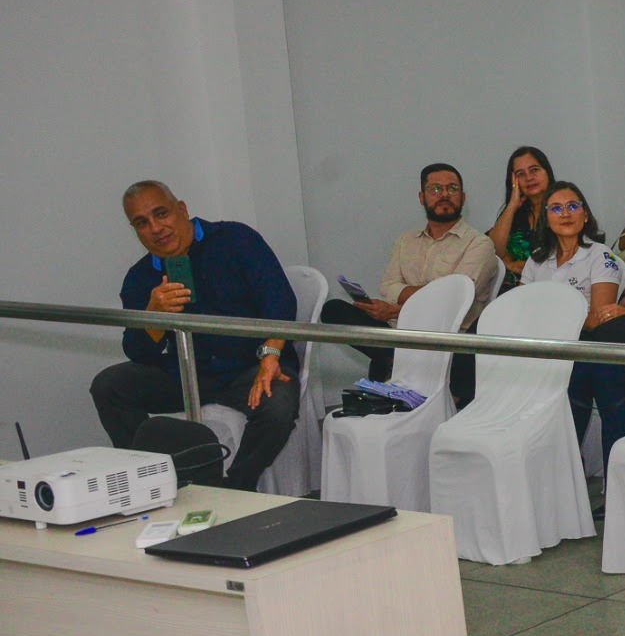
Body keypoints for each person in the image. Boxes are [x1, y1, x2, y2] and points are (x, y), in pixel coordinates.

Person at [93, 181, 300, 491]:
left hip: (251, 365)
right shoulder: (140, 277)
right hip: (187, 373)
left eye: (161, 214)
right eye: (142, 223)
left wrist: (271, 354)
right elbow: (138, 352)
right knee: (109, 386)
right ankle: (158, 479)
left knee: (278, 406)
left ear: (182, 209)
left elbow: (280, 300)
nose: (156, 228)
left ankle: (236, 486)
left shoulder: (235, 239)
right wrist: (154, 316)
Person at [318, 162, 504, 403]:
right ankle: (393, 360)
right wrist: (400, 306)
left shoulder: (479, 244)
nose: (445, 195)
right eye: (435, 189)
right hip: (397, 332)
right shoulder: (405, 241)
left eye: (452, 189)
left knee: (388, 351)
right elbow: (389, 286)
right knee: (333, 309)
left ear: (463, 197)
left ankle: (389, 367)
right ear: (422, 197)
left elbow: (455, 299)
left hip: (446, 341)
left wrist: (397, 308)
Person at [519, 179, 625, 463]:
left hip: (583, 348)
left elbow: (599, 318)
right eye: (556, 208)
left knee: (592, 376)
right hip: (540, 349)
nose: (566, 214)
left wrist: (551, 317)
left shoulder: (600, 257)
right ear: (546, 219)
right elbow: (521, 311)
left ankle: (592, 475)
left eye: (573, 206)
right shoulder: (536, 261)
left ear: (585, 215)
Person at [487, 146, 555, 275]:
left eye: (534, 170)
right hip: (510, 290)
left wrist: (510, 264)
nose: (529, 178)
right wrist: (512, 205)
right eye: (521, 174)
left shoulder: (562, 209)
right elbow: (492, 252)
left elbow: (562, 260)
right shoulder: (513, 213)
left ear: (547, 172)